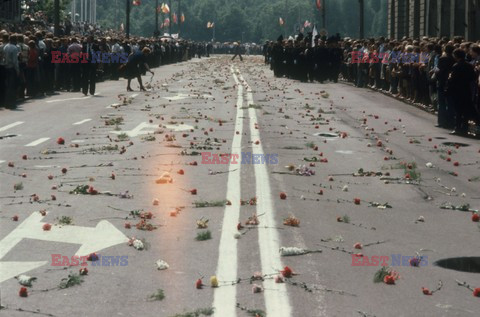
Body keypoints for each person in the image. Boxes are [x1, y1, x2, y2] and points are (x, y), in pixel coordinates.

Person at [446, 48, 477, 135]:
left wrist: (449, 85)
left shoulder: (456, 66)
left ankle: (458, 128)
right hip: (466, 89)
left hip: (457, 90)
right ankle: (465, 128)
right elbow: (473, 77)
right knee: (465, 110)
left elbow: (452, 79)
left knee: (458, 110)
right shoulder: (469, 66)